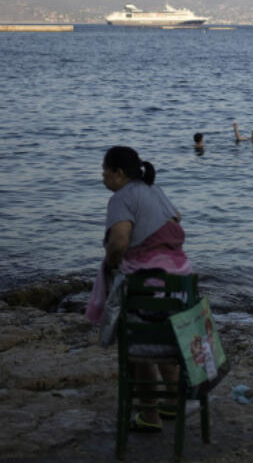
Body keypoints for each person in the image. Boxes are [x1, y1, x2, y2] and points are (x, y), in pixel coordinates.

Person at [89, 146, 192, 432]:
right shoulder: (154, 190)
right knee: (165, 339)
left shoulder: (121, 198)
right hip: (179, 281)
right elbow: (177, 218)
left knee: (139, 344)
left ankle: (150, 414)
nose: (103, 178)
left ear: (119, 174)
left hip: (149, 283)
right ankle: (171, 401)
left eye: (105, 172)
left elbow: (120, 242)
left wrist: (110, 265)